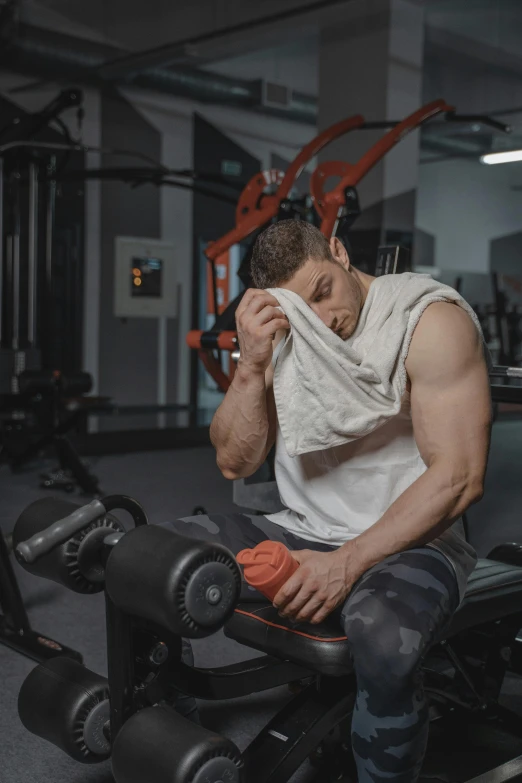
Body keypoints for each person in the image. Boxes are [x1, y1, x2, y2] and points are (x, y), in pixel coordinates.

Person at [163, 220, 491, 783]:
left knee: (384, 641)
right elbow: (233, 462)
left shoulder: (427, 321)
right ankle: (176, 743)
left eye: (324, 291)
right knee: (157, 561)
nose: (323, 319)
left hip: (414, 542)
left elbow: (459, 477)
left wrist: (346, 563)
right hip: (301, 526)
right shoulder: (288, 334)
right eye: (302, 308)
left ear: (339, 252)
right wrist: (252, 366)